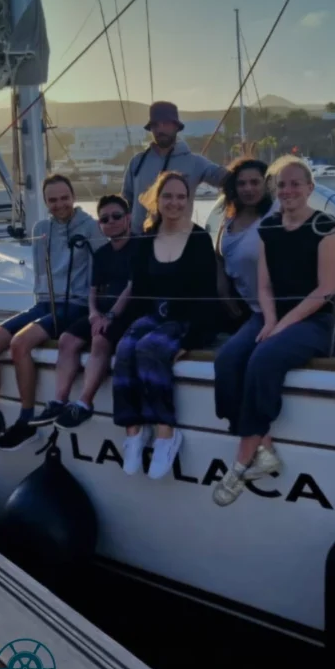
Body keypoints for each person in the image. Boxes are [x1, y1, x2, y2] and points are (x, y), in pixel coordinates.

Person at [212, 156, 335, 506]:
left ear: (309, 188)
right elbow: (264, 286)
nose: (288, 190)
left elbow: (325, 291)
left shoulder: (325, 228)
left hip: (320, 321)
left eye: (295, 184)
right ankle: (265, 444)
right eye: (282, 185)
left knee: (264, 357)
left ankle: (243, 457)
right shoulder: (269, 229)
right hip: (275, 316)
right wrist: (271, 321)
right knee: (228, 359)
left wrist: (284, 325)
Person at [0, 174, 99, 449]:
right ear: (45, 202)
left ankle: (26, 421)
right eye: (52, 200)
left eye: (64, 198)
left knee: (20, 344)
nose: (59, 204)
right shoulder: (42, 228)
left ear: (73, 197)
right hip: (43, 303)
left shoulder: (91, 227)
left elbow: (99, 271)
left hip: (74, 305)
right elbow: (41, 274)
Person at [112, 170, 222, 479]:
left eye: (180, 197)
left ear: (188, 201)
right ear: (156, 201)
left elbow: (207, 296)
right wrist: (118, 327)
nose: (174, 203)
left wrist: (190, 342)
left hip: (187, 317)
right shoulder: (147, 239)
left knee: (151, 348)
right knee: (125, 348)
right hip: (155, 315)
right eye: (168, 196)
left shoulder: (199, 239)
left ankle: (165, 431)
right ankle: (133, 431)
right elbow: (140, 294)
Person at [34, 194, 136, 430]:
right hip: (102, 313)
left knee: (100, 340)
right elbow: (93, 289)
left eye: (116, 216)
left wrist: (109, 317)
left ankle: (84, 403)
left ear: (128, 218)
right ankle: (59, 400)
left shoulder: (139, 247)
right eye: (105, 219)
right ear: (100, 224)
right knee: (67, 340)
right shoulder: (101, 254)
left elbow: (132, 288)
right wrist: (93, 313)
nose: (111, 222)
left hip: (130, 313)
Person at [122, 101, 228, 233]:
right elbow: (127, 202)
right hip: (139, 243)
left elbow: (229, 179)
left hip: (177, 243)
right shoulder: (136, 162)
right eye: (155, 125)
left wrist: (246, 167)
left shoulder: (195, 162)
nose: (160, 129)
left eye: (166, 124)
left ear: (176, 127)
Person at [214, 157, 273, 327]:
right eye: (241, 183)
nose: (248, 188)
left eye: (255, 182)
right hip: (238, 306)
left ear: (266, 184)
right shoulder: (228, 220)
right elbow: (219, 257)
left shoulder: (275, 218)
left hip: (268, 309)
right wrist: (223, 294)